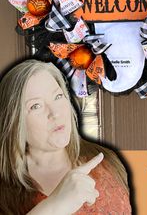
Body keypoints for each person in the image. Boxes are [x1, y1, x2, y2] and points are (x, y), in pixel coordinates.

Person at [0, 59, 132, 215]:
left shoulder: (108, 161)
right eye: (36, 106)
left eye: (57, 97)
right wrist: (57, 206)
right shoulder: (4, 193)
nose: (55, 113)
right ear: (14, 121)